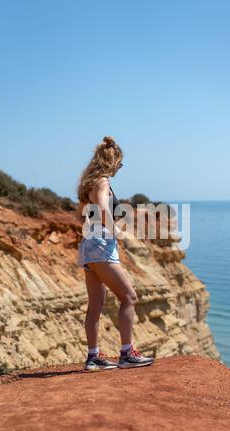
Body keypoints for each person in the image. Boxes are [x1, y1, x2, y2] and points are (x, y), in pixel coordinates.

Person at [76, 136, 155, 372]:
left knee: (95, 304)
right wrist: (115, 230)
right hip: (101, 244)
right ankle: (127, 353)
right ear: (113, 161)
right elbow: (101, 209)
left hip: (88, 245)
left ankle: (93, 357)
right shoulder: (102, 182)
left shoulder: (87, 184)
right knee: (129, 297)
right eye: (120, 162)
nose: (121, 167)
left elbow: (79, 217)